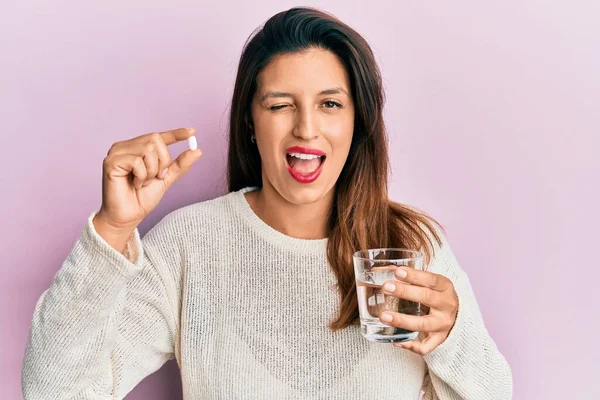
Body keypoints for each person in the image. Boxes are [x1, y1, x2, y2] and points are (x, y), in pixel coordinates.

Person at [21, 6, 512, 400]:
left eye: (330, 104)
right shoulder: (190, 244)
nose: (306, 127)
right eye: (280, 105)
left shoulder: (410, 246)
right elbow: (55, 392)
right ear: (250, 125)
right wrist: (111, 229)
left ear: (358, 124)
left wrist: (453, 338)